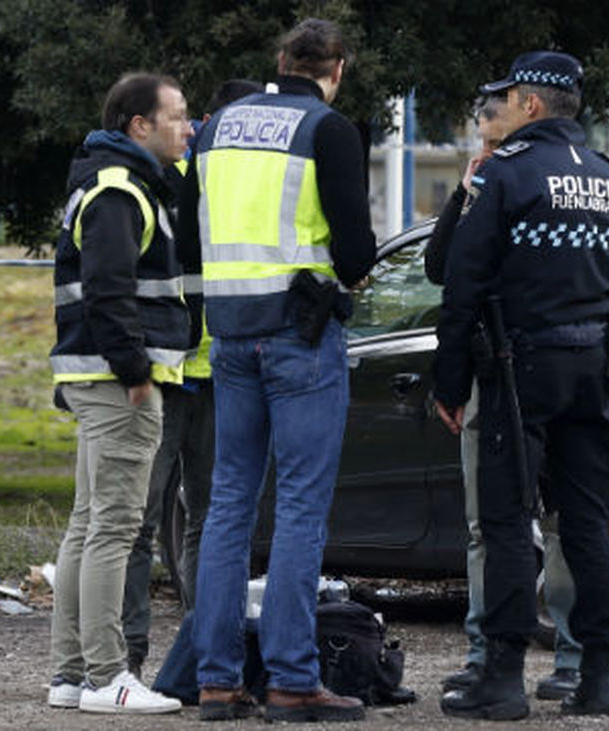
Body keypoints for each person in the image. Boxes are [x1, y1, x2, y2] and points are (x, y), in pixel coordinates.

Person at [433, 51, 609, 721]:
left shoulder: (508, 175)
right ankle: (598, 679)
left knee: (503, 523)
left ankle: (500, 678)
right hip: (597, 367)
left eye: (504, 99)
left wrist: (451, 378)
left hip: (520, 366)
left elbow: (460, 282)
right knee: (585, 524)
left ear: (530, 104)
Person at [177, 18, 376, 724]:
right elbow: (354, 254)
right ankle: (293, 677)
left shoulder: (217, 127)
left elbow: (187, 224)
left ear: (280, 61)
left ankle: (216, 680)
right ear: (337, 69)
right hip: (300, 336)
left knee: (228, 504)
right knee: (298, 505)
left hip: (230, 336)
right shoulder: (328, 130)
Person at [428, 94, 583, 702]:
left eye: (495, 142)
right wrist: (464, 196)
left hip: (540, 368)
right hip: (489, 375)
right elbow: (441, 268)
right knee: (485, 526)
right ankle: (483, 651)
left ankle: (568, 656)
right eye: (483, 146)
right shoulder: (483, 187)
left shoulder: (542, 187)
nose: (489, 154)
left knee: (558, 521)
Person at [46, 71, 193, 715]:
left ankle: (73, 675)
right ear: (140, 125)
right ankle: (108, 676)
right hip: (116, 382)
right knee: (112, 527)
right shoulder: (119, 190)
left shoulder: (112, 183)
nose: (188, 128)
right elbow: (109, 290)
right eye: (178, 116)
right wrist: (136, 370)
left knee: (87, 525)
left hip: (96, 375)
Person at [120, 79, 264, 681]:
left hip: (219, 373)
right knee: (138, 518)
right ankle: (125, 656)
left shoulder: (247, 186)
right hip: (163, 373)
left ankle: (206, 650)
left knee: (214, 519)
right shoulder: (168, 182)